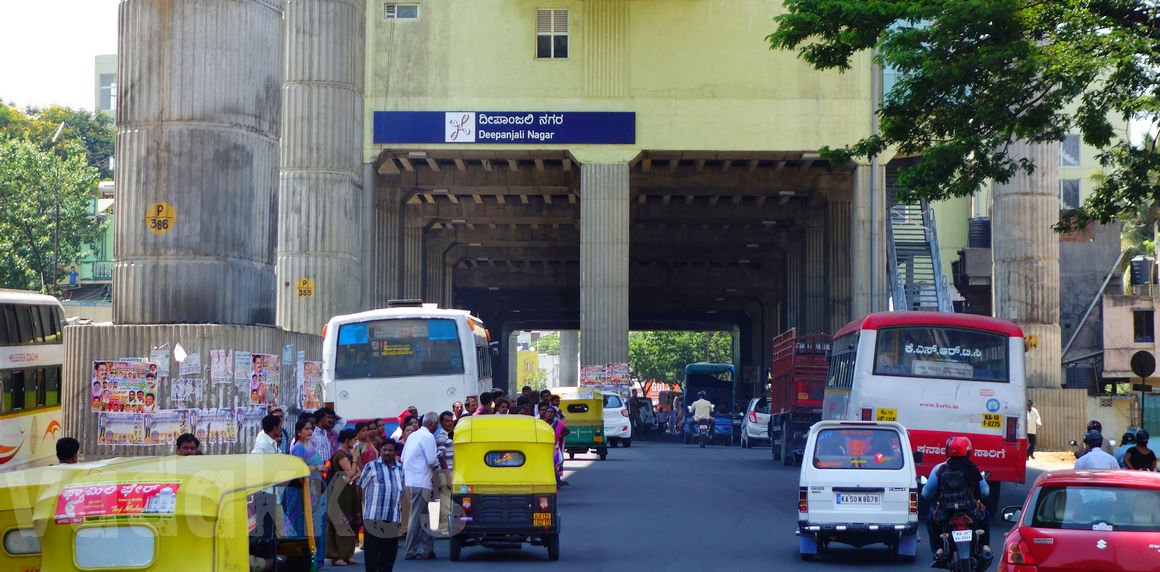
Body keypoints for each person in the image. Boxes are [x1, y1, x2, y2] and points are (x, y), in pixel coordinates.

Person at [922, 436, 991, 566]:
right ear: (968, 451)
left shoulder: (939, 469)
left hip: (945, 512)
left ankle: (939, 549)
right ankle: (985, 546)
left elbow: (926, 493)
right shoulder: (972, 469)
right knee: (985, 516)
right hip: (970, 510)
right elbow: (985, 492)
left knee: (931, 519)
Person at [361, 439, 405, 572]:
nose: (387, 452)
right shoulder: (371, 466)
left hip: (392, 519)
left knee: (389, 557)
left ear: (395, 452)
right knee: (372, 557)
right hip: (373, 517)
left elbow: (402, 491)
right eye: (384, 450)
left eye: (390, 450)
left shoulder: (401, 468)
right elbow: (361, 489)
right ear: (380, 451)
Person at [401, 412, 440, 560]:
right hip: (422, 482)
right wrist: (438, 456)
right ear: (432, 424)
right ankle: (411, 550)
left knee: (423, 517)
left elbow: (403, 458)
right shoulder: (428, 437)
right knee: (417, 518)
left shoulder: (412, 436)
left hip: (410, 481)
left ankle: (426, 549)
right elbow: (431, 460)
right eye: (436, 424)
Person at [289, 418, 327, 567]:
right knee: (311, 523)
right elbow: (299, 469)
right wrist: (318, 468)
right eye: (306, 429)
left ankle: (317, 559)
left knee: (318, 522)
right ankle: (311, 560)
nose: (310, 431)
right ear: (299, 431)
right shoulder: (298, 447)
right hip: (307, 488)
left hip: (316, 486)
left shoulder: (309, 444)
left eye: (311, 428)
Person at [326, 428, 361, 566]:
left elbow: (357, 473)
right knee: (340, 523)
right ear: (347, 440)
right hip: (340, 493)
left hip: (350, 491)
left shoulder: (349, 454)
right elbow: (351, 472)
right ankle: (337, 555)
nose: (356, 442)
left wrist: (353, 469)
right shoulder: (341, 455)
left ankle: (348, 554)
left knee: (351, 522)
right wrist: (355, 459)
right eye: (354, 439)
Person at [541, 407, 570, 486]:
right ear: (545, 413)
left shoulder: (559, 423)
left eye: (552, 412)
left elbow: (567, 431)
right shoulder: (540, 423)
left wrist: (560, 436)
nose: (550, 413)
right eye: (548, 411)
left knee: (555, 465)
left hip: (554, 447)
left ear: (554, 415)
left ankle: (557, 481)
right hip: (542, 447)